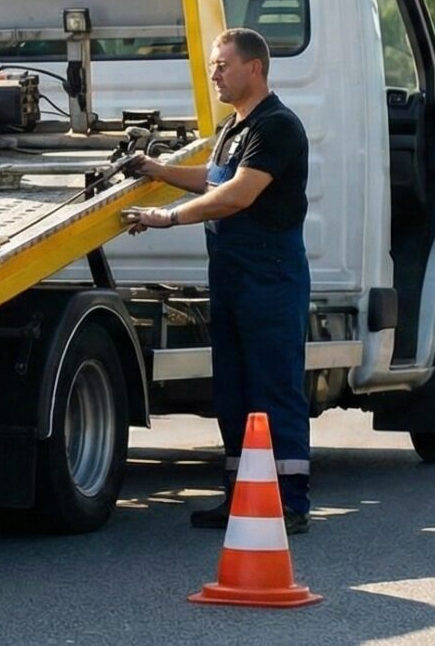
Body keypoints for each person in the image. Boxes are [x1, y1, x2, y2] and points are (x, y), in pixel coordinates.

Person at [122, 27, 313, 532]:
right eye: (213, 65)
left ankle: (289, 503)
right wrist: (157, 170)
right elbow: (212, 178)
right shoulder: (234, 128)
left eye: (222, 65)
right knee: (234, 392)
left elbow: (237, 195)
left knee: (274, 389)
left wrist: (168, 218)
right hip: (232, 278)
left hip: (271, 278)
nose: (214, 75)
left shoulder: (277, 126)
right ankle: (241, 498)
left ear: (255, 68)